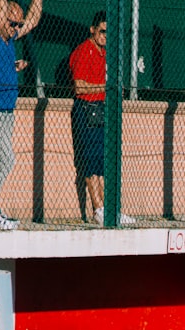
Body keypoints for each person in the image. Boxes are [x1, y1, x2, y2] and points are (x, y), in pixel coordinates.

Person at [0, 0, 41, 231]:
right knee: (6, 159)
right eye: (12, 23)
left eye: (17, 24)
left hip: (6, 110)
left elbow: (32, 22)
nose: (15, 28)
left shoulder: (10, 39)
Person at [69, 10, 134, 226]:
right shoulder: (83, 51)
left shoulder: (105, 54)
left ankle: (109, 209)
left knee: (101, 161)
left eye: (110, 33)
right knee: (88, 159)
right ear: (93, 29)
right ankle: (97, 208)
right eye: (103, 31)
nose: (106, 36)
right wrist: (105, 87)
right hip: (86, 108)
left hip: (101, 108)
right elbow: (79, 86)